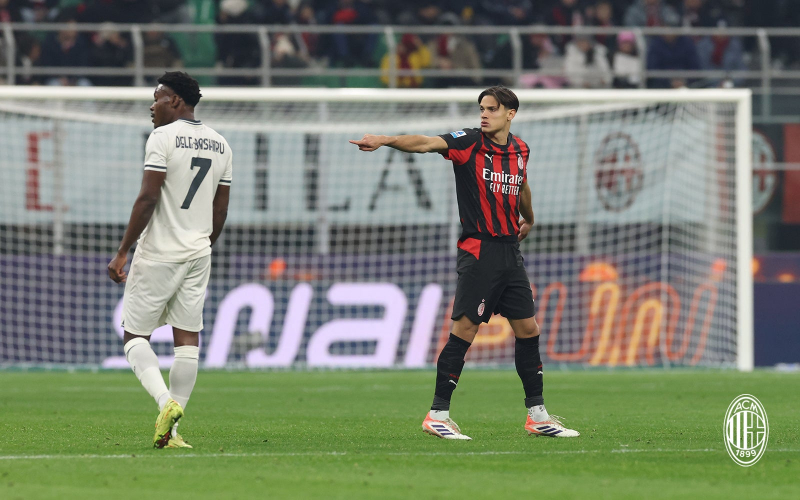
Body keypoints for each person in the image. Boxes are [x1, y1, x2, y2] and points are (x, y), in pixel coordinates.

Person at [349, 87, 579, 440]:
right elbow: (425, 143)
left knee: (528, 330)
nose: (484, 114)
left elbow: (521, 184)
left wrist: (529, 218)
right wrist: (385, 140)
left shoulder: (520, 149)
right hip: (479, 251)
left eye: (492, 109)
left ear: (511, 114)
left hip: (509, 252)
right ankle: (437, 414)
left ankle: (537, 416)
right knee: (465, 330)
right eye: (482, 108)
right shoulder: (469, 142)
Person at [108, 72, 232, 449]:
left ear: (175, 101)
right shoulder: (221, 144)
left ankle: (166, 403)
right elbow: (220, 209)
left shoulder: (162, 137)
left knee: (134, 335)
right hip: (199, 251)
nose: (152, 106)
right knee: (187, 338)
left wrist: (123, 250)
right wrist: (203, 243)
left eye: (157, 97)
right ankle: (173, 433)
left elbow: (148, 197)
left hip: (160, 250)